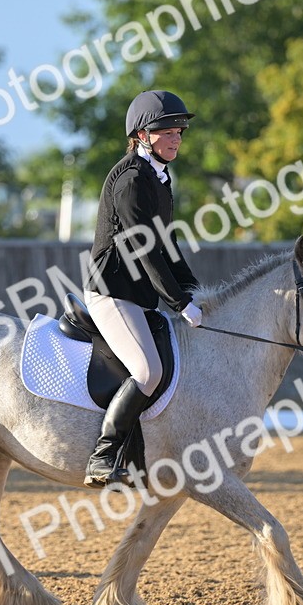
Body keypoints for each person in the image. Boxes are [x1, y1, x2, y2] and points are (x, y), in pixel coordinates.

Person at [81, 90, 203, 488]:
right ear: (141, 135)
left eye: (179, 131)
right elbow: (141, 246)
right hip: (113, 291)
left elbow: (166, 241)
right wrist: (179, 301)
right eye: (165, 131)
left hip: (138, 294)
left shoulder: (159, 177)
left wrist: (191, 286)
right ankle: (103, 455)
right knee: (148, 371)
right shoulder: (132, 179)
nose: (175, 138)